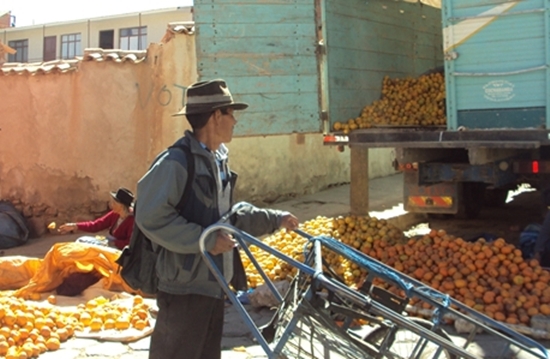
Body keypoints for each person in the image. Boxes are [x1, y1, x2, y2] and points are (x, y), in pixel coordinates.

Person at [135, 79, 299, 359]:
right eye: (230, 113)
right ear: (215, 116)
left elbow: (229, 217)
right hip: (184, 289)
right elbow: (150, 216)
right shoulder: (176, 162)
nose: (235, 121)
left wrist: (275, 219)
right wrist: (207, 239)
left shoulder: (217, 159)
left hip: (214, 286)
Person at [58, 187, 135, 250]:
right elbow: (97, 225)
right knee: (82, 240)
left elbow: (130, 243)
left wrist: (113, 243)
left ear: (121, 206)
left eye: (114, 203)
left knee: (91, 249)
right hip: (109, 242)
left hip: (118, 249)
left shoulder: (131, 221)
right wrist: (75, 226)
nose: (111, 205)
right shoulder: (115, 214)